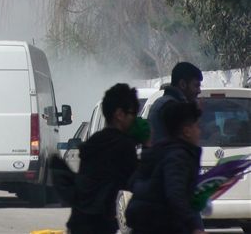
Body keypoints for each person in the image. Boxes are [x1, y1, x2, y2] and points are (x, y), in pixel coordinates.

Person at [66, 84, 140, 234]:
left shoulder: (95, 141)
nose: (134, 119)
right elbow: (137, 184)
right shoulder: (123, 145)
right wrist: (149, 145)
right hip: (98, 225)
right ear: (119, 114)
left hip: (79, 222)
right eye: (132, 114)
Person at [125, 102, 206, 234]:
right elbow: (175, 194)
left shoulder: (158, 150)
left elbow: (132, 182)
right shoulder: (179, 156)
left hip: (144, 223)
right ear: (187, 131)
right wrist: (194, 226)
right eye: (197, 127)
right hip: (162, 225)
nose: (200, 131)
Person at [148, 62, 202, 144]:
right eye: (196, 86)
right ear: (183, 84)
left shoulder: (162, 102)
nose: (199, 91)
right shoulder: (171, 107)